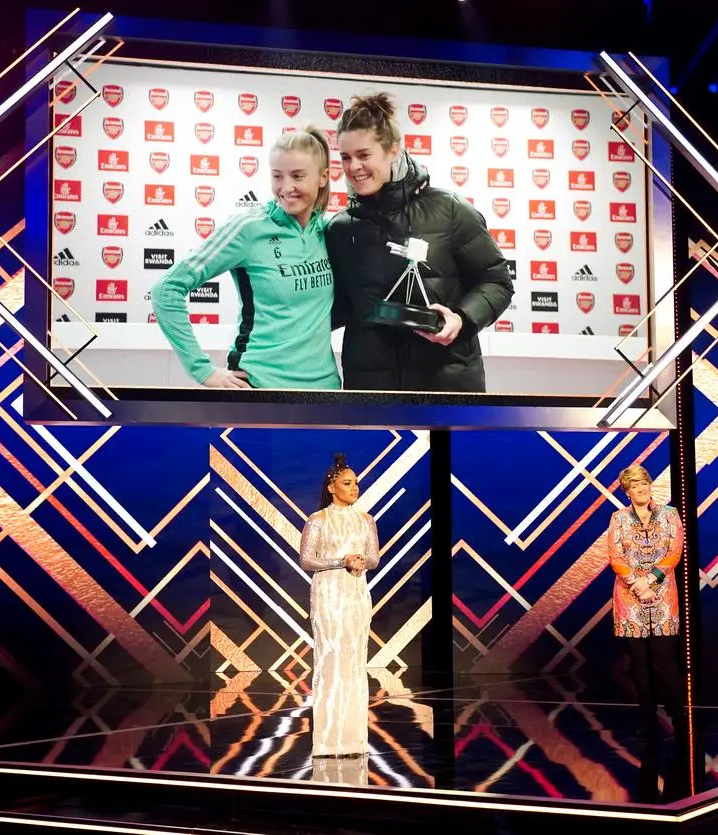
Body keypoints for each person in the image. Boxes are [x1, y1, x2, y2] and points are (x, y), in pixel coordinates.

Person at [325, 92, 513, 392]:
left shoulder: (450, 210)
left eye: (364, 155)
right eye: (345, 157)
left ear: (392, 150)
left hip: (446, 388)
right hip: (371, 392)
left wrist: (461, 319)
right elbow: (332, 308)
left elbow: (497, 282)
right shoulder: (340, 228)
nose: (353, 167)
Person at [150, 126, 340, 390]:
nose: (286, 187)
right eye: (277, 176)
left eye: (298, 176)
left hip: (325, 390)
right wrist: (202, 370)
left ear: (323, 177)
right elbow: (166, 290)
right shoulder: (249, 229)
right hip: (260, 387)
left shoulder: (328, 231)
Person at [298, 453, 379, 758]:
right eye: (347, 483)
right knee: (331, 658)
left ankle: (354, 740)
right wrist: (340, 561)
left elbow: (373, 558)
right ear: (332, 487)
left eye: (356, 482)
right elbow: (307, 561)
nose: (354, 487)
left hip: (356, 593)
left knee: (355, 660)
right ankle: (329, 740)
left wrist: (360, 561)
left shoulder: (366, 520)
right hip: (329, 594)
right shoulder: (317, 520)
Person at [606, 465, 686, 742]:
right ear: (627, 492)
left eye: (643, 483)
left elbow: (675, 550)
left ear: (650, 485)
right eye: (634, 486)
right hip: (630, 598)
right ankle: (648, 719)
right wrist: (636, 585)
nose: (640, 489)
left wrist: (650, 580)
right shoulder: (618, 518)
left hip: (663, 596)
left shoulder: (670, 514)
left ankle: (680, 718)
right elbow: (615, 556)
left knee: (665, 658)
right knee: (638, 661)